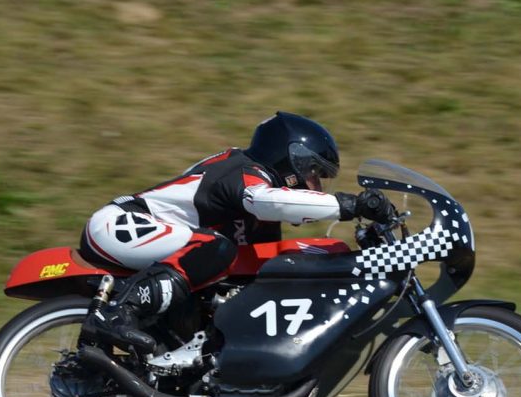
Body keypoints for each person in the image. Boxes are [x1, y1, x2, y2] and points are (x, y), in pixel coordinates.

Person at [78, 111, 395, 351]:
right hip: (122, 224)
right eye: (314, 175)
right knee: (218, 248)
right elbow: (270, 201)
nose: (315, 187)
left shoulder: (259, 211)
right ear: (292, 160)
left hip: (154, 237)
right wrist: (351, 205)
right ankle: (120, 314)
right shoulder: (243, 171)